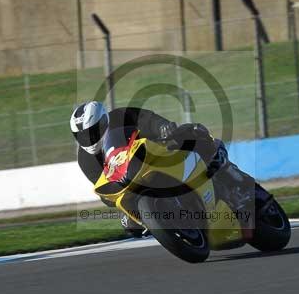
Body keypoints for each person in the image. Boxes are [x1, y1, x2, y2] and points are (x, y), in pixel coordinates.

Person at [69, 101, 255, 237]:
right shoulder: (85, 160)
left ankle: (228, 170)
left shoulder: (121, 116)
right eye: (83, 136)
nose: (89, 138)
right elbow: (104, 186)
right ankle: (176, 224)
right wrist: (109, 198)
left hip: (157, 152)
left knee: (191, 132)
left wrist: (163, 128)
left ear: (104, 121)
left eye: (92, 131)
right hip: (131, 182)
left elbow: (148, 119)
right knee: (129, 225)